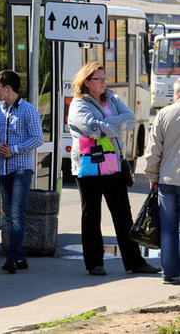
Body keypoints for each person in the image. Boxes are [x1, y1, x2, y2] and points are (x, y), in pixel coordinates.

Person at [68, 62, 160, 276]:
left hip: (114, 165)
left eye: (104, 78)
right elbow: (90, 129)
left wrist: (104, 125)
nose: (103, 82)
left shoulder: (112, 98)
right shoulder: (79, 104)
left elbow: (130, 119)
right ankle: (94, 263)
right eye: (99, 79)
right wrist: (112, 127)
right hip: (89, 167)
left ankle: (135, 262)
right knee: (91, 216)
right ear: (87, 82)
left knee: (123, 216)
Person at [0, 70, 44, 274]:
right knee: (9, 215)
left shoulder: (28, 110)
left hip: (21, 169)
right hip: (3, 169)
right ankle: (20, 257)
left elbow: (38, 139)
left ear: (7, 88)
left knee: (17, 214)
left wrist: (14, 149)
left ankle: (12, 258)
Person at [144, 77, 180, 284]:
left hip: (167, 179)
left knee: (168, 228)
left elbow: (153, 151)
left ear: (175, 94)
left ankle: (169, 273)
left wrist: (152, 176)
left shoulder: (164, 114)